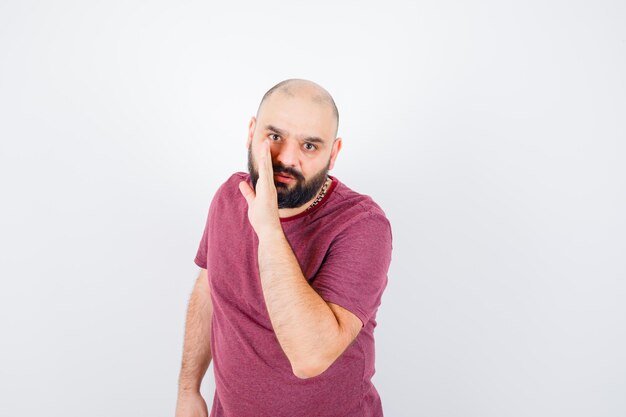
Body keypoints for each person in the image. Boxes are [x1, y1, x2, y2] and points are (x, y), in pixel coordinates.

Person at [175, 79, 393, 417]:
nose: (286, 158)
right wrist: (189, 390)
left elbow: (310, 359)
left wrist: (269, 229)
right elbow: (209, 289)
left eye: (309, 146)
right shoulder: (228, 198)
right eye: (274, 137)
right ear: (252, 132)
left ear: (333, 154)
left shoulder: (362, 225)